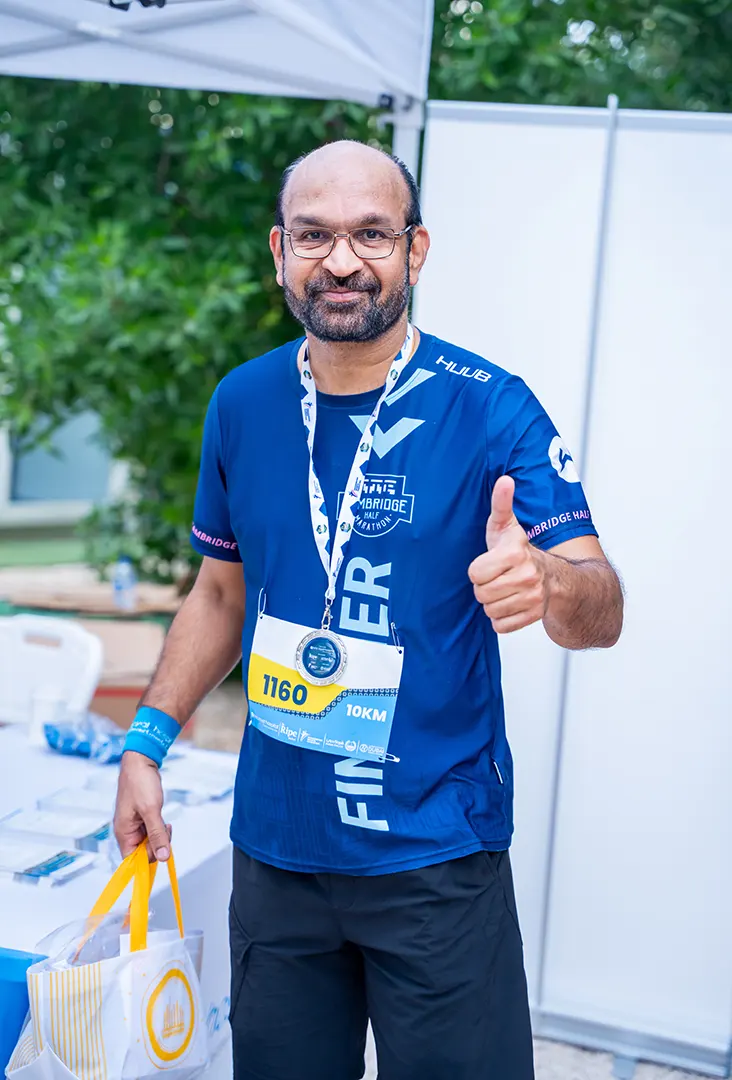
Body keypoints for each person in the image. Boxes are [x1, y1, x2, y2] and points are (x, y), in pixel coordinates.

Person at [114, 139, 624, 1080]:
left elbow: (602, 605)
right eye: (313, 235)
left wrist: (549, 585)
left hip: (433, 857)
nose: (341, 261)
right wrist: (144, 742)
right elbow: (220, 590)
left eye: (370, 235)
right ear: (278, 251)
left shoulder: (490, 407)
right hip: (277, 855)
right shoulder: (243, 401)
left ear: (416, 251)